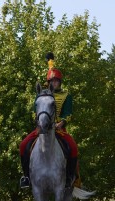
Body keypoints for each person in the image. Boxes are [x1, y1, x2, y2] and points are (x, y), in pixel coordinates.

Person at [19, 52, 78, 189]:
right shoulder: (41, 95)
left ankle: (69, 178)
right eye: (52, 81)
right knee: (23, 145)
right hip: (42, 128)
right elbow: (37, 112)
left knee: (73, 147)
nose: (54, 83)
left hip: (59, 130)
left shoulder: (66, 96)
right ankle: (26, 176)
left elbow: (68, 113)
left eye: (56, 81)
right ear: (49, 82)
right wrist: (38, 124)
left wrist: (61, 122)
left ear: (60, 82)